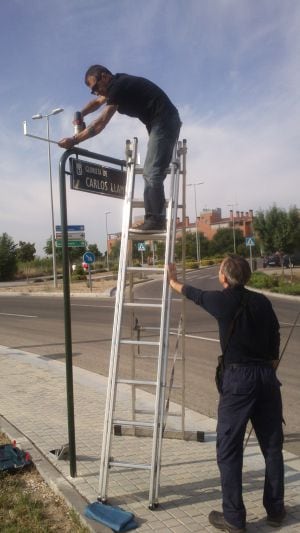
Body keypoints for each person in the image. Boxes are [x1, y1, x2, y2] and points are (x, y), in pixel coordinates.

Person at [168, 255, 285, 532]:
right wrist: (270, 364)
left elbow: (193, 293)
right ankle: (276, 510)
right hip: (267, 378)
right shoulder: (263, 302)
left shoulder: (222, 301)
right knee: (272, 446)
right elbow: (276, 334)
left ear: (224, 278)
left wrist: (172, 281)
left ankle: (233, 517)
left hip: (239, 380)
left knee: (229, 447)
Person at [58, 65, 181, 233]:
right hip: (160, 123)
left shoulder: (118, 86)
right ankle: (153, 218)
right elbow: (96, 102)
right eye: (92, 91)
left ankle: (156, 219)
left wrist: (74, 140)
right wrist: (81, 113)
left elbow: (100, 123)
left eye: (95, 87)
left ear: (105, 77)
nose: (96, 92)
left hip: (165, 121)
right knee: (150, 172)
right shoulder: (115, 84)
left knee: (152, 172)